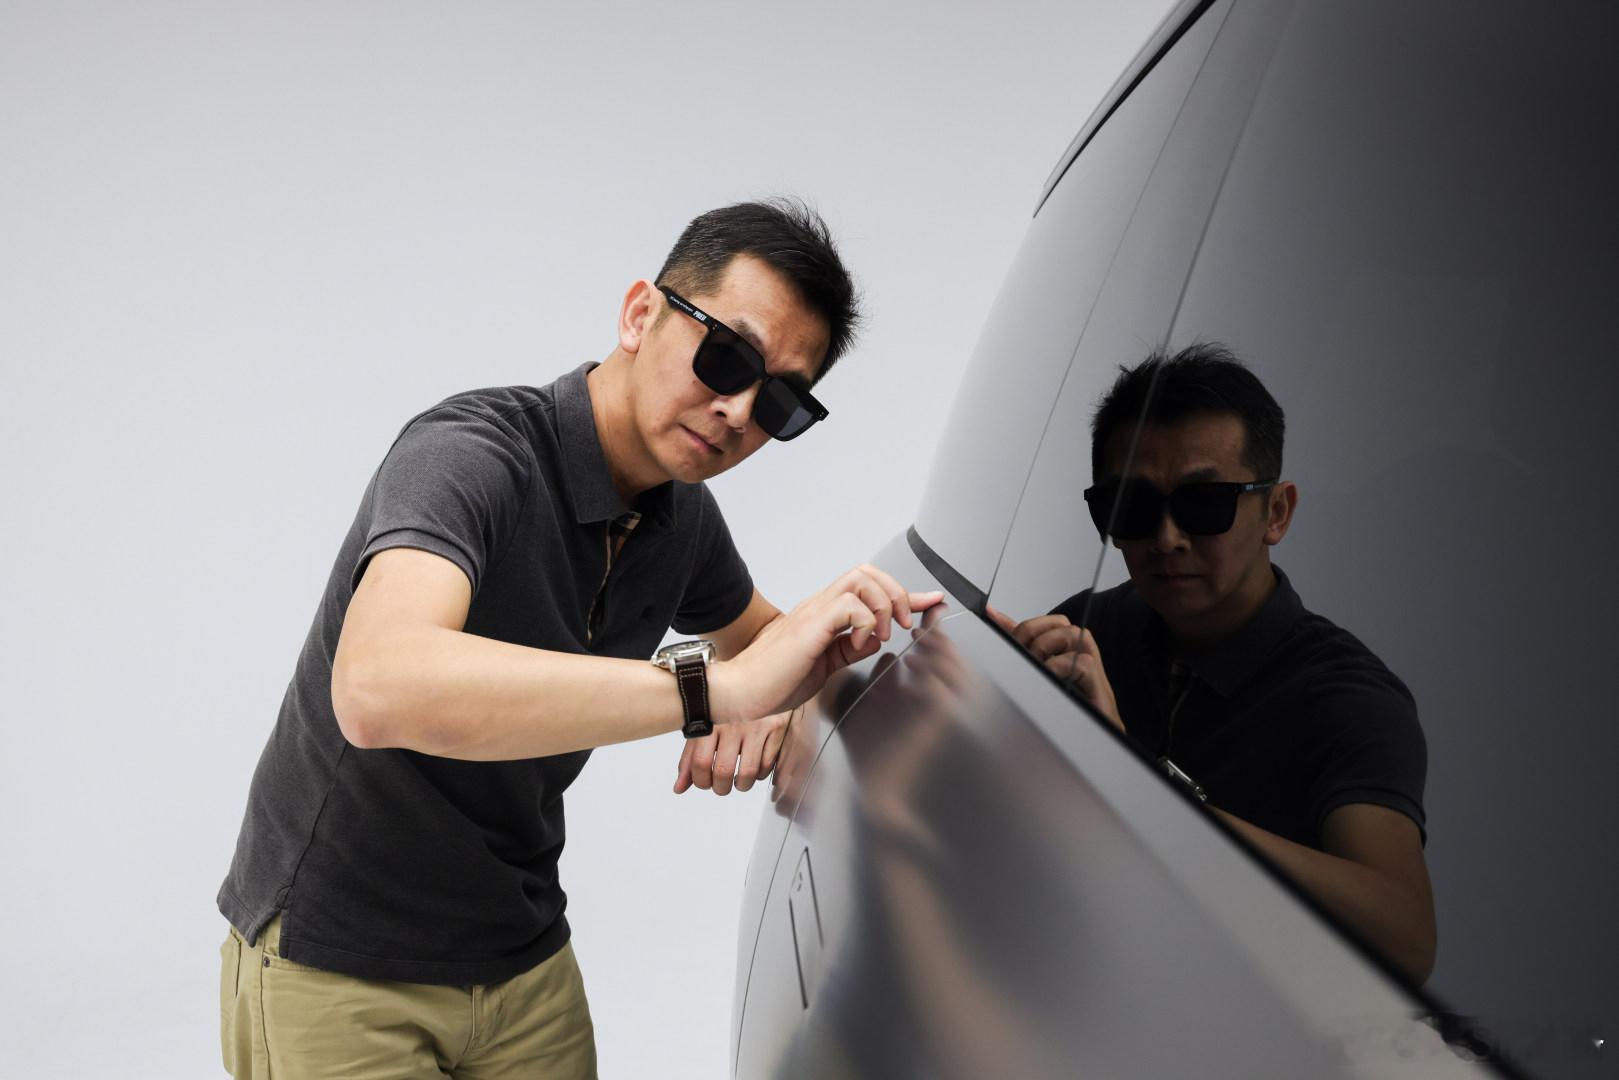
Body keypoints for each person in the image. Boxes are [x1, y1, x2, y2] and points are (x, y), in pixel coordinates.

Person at [215, 198, 942, 1079]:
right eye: (727, 356)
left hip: (521, 957)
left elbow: (774, 649)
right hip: (339, 961)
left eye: (781, 402)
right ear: (639, 315)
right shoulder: (470, 453)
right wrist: (718, 691)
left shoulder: (681, 520)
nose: (738, 409)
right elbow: (376, 688)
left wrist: (822, 680)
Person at [990, 344, 1435, 985]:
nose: (1166, 538)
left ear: (1276, 513)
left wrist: (1139, 784)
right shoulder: (1089, 629)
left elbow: (1404, 937)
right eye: (1132, 508)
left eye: (1204, 505)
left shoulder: (1346, 699)